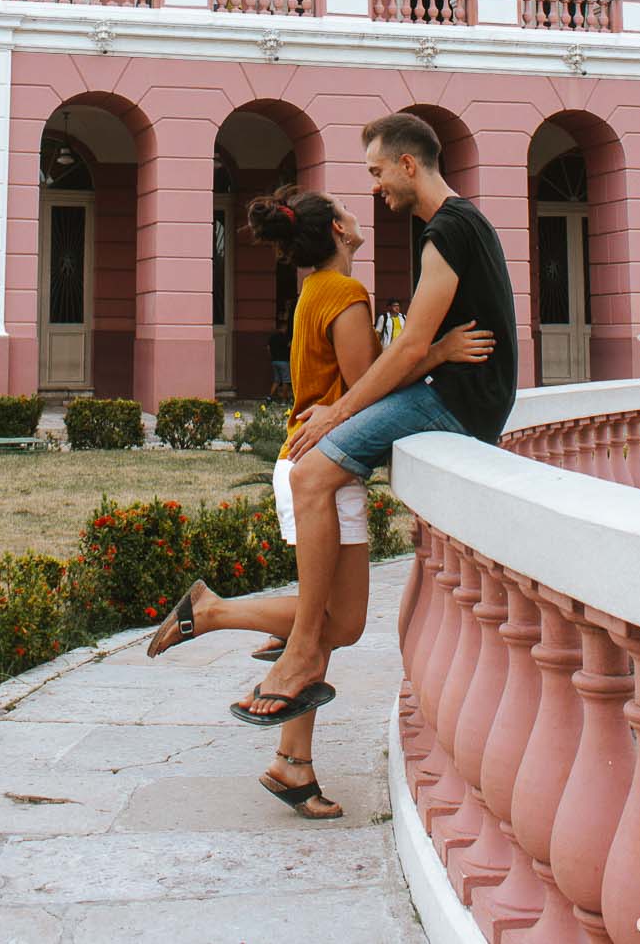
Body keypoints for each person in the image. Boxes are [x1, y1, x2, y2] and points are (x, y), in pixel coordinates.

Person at [145, 184, 490, 812]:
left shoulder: (314, 292)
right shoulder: (345, 294)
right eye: (348, 209)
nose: (362, 209)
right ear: (338, 228)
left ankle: (292, 764)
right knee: (339, 623)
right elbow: (367, 388)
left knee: (324, 625)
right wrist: (435, 350)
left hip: (304, 459)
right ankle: (214, 612)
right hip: (321, 470)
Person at [233, 111, 518, 724]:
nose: (376, 185)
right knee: (315, 471)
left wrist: (337, 410)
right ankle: (303, 652)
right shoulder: (459, 223)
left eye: (378, 170)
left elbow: (411, 348)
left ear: (409, 164)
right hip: (459, 391)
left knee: (310, 473)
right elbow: (418, 347)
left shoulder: (446, 229)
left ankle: (306, 650)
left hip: (455, 401)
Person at [268, 319, 291, 401]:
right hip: (284, 361)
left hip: (274, 361)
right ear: (283, 327)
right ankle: (284, 400)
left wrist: (273, 357)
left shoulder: (272, 337)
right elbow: (290, 346)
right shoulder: (285, 337)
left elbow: (268, 348)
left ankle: (269, 397)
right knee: (286, 381)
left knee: (276, 380)